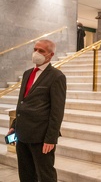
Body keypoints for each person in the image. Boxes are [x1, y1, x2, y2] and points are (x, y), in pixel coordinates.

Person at [7, 39, 66, 182]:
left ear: (50, 55)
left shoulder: (57, 76)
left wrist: (51, 139)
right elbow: (22, 102)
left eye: (41, 51)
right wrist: (15, 125)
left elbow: (57, 111)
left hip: (41, 136)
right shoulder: (27, 73)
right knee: (26, 173)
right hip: (22, 133)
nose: (36, 53)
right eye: (35, 49)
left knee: (45, 175)